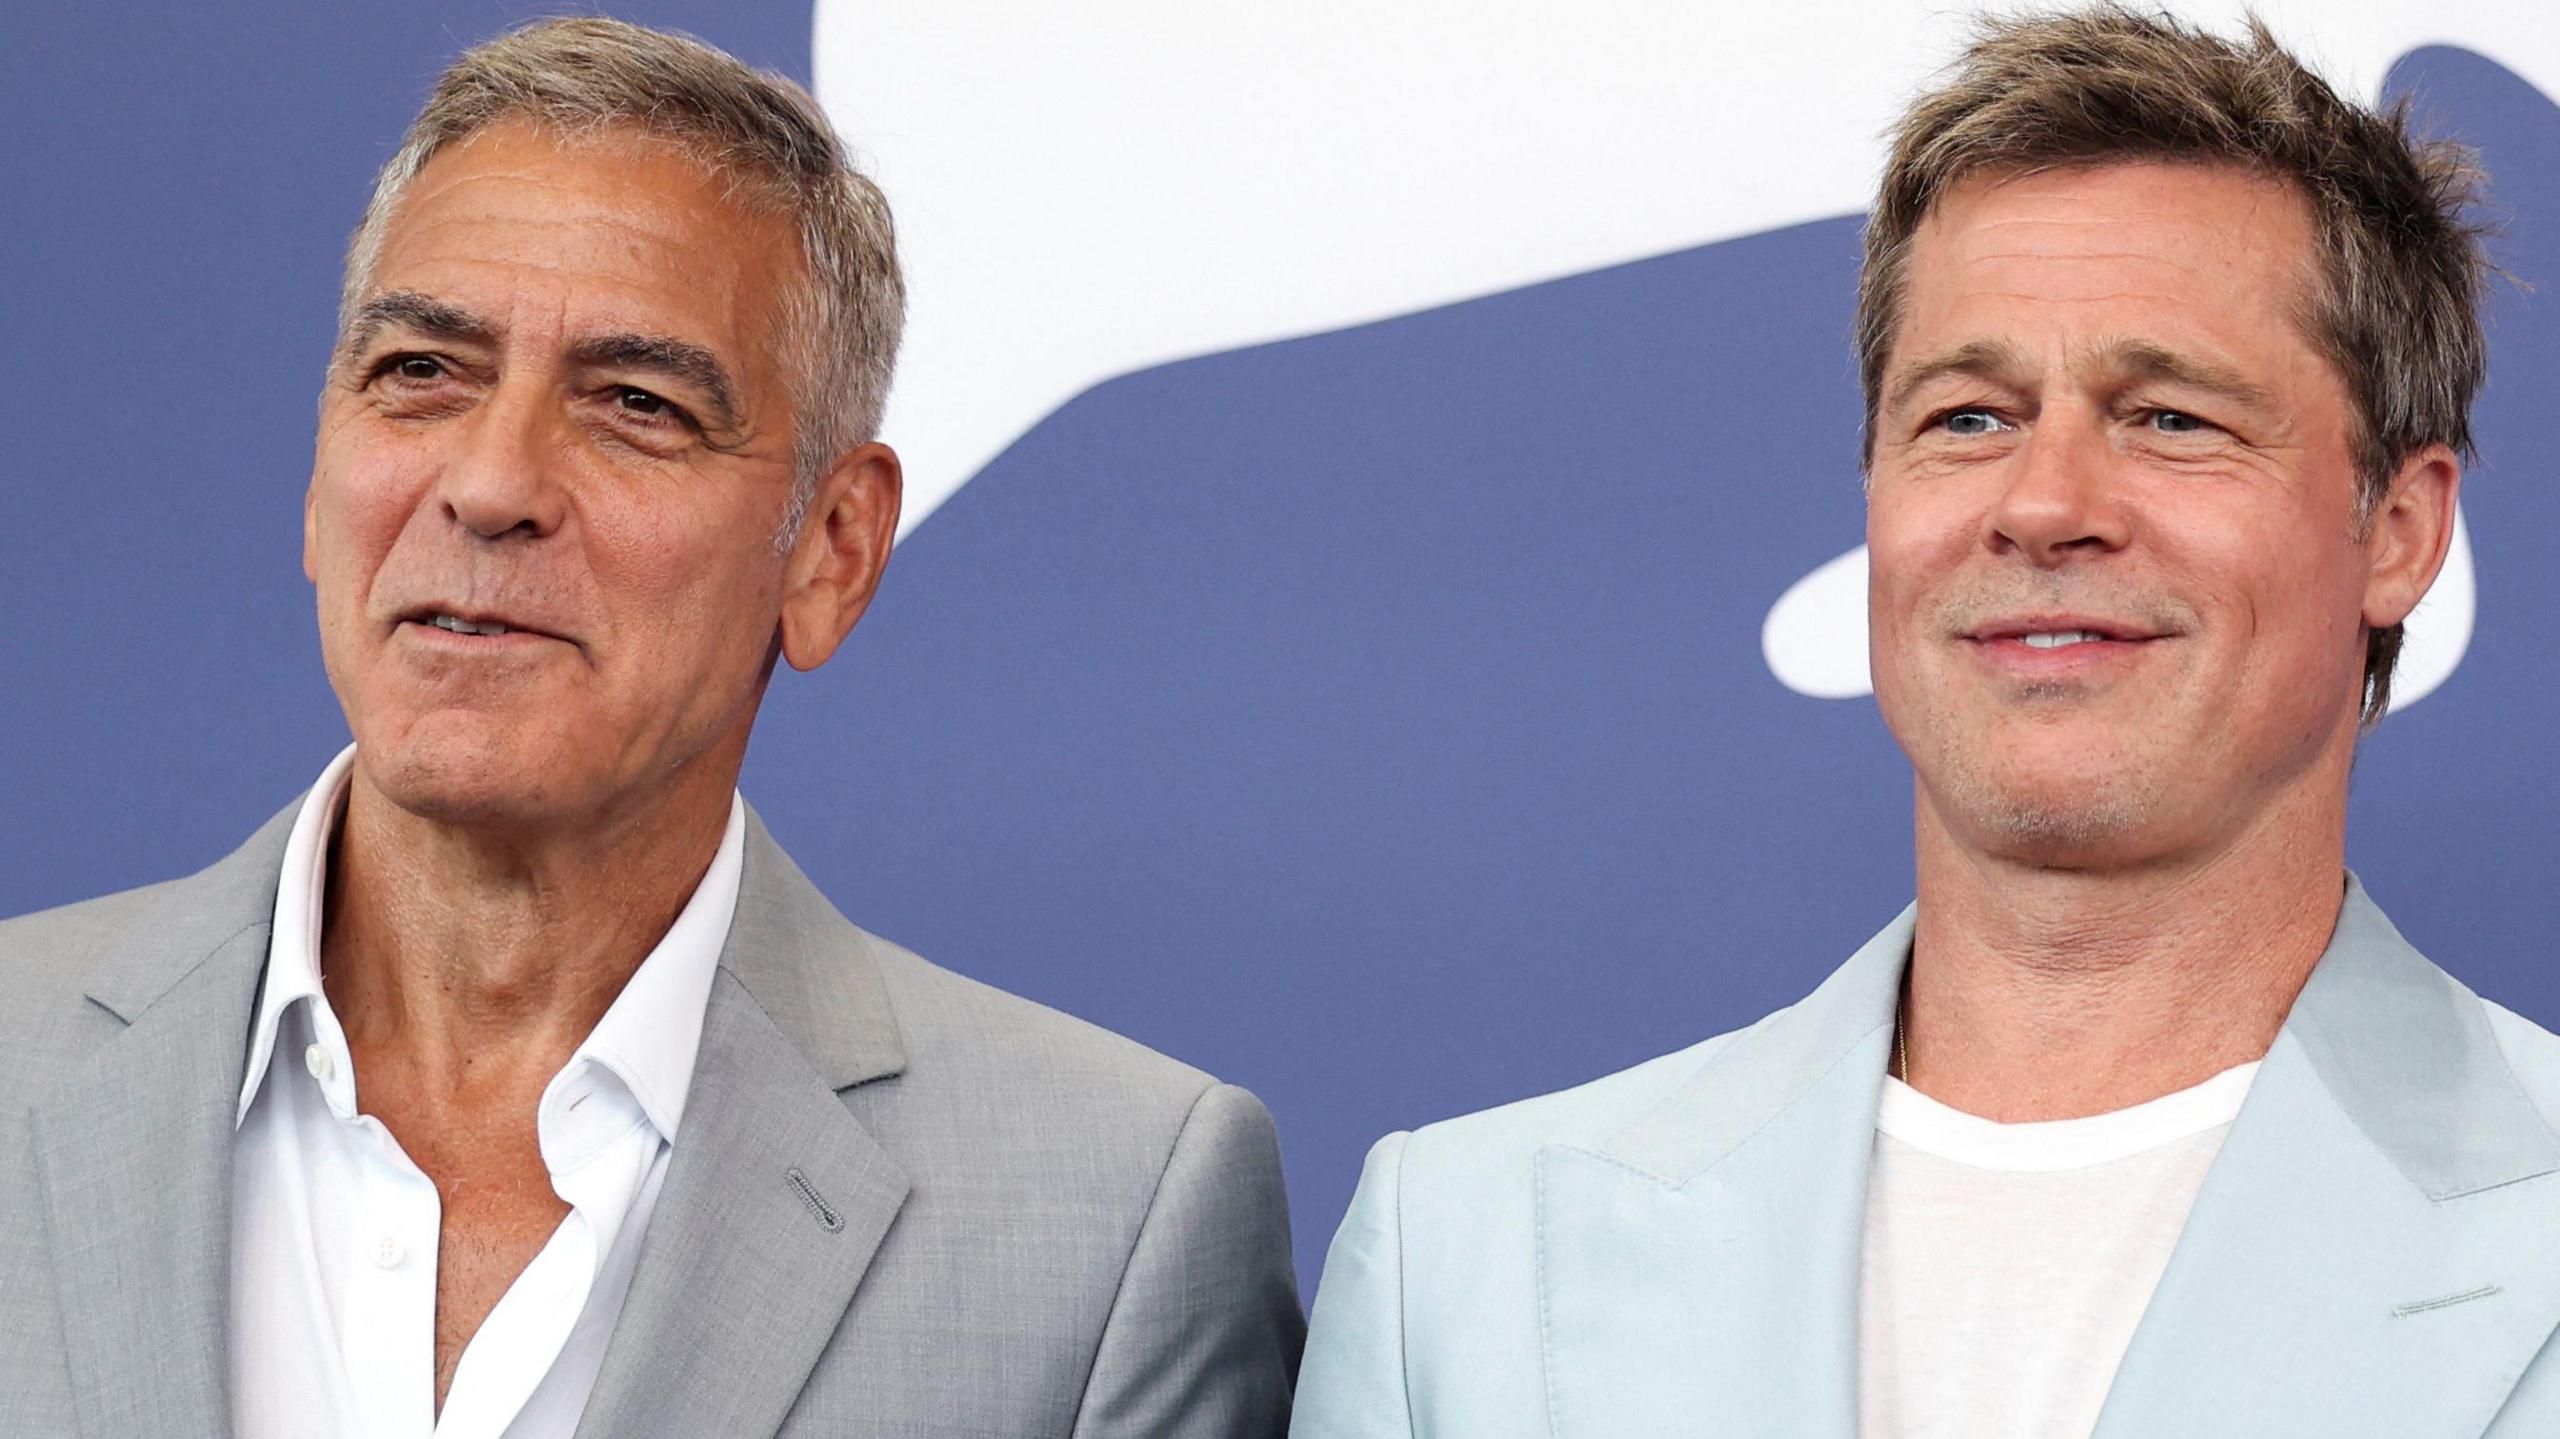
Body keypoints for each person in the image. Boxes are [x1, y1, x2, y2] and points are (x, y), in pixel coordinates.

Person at [0, 18, 1299, 1438]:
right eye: (421, 371)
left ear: (833, 551)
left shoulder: (1110, 1220)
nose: (492, 484)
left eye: (636, 404)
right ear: (321, 474)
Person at [1292, 10, 2560, 1436]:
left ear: (2398, 529)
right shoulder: (1457, 1264)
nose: (2044, 503)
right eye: (1967, 416)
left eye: (2172, 418)